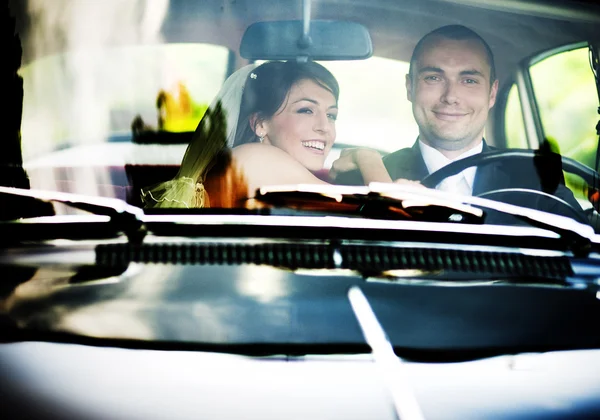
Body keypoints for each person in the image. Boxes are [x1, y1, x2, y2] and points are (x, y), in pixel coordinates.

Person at [333, 24, 588, 223]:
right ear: (410, 87)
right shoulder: (365, 180)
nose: (451, 97)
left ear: (492, 94)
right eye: (433, 77)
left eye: (469, 80)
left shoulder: (536, 178)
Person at [141, 60, 391, 208]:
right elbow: (387, 210)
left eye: (331, 115)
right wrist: (367, 157)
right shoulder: (255, 158)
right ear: (260, 123)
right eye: (306, 110)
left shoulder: (247, 162)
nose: (324, 127)